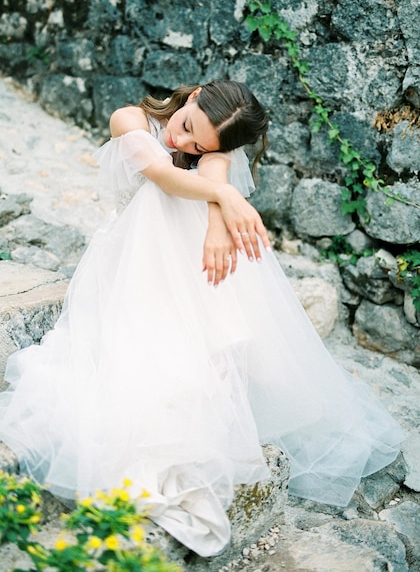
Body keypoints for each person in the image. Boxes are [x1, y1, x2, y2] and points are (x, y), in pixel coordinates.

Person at [0, 80, 403, 558]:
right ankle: (211, 343)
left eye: (197, 145)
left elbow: (216, 172)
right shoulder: (130, 120)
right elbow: (166, 176)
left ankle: (210, 348)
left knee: (207, 192)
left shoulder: (212, 147)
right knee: (166, 195)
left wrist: (218, 220)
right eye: (188, 128)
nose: (183, 144)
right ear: (191, 98)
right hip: (125, 267)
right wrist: (229, 202)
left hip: (181, 272)